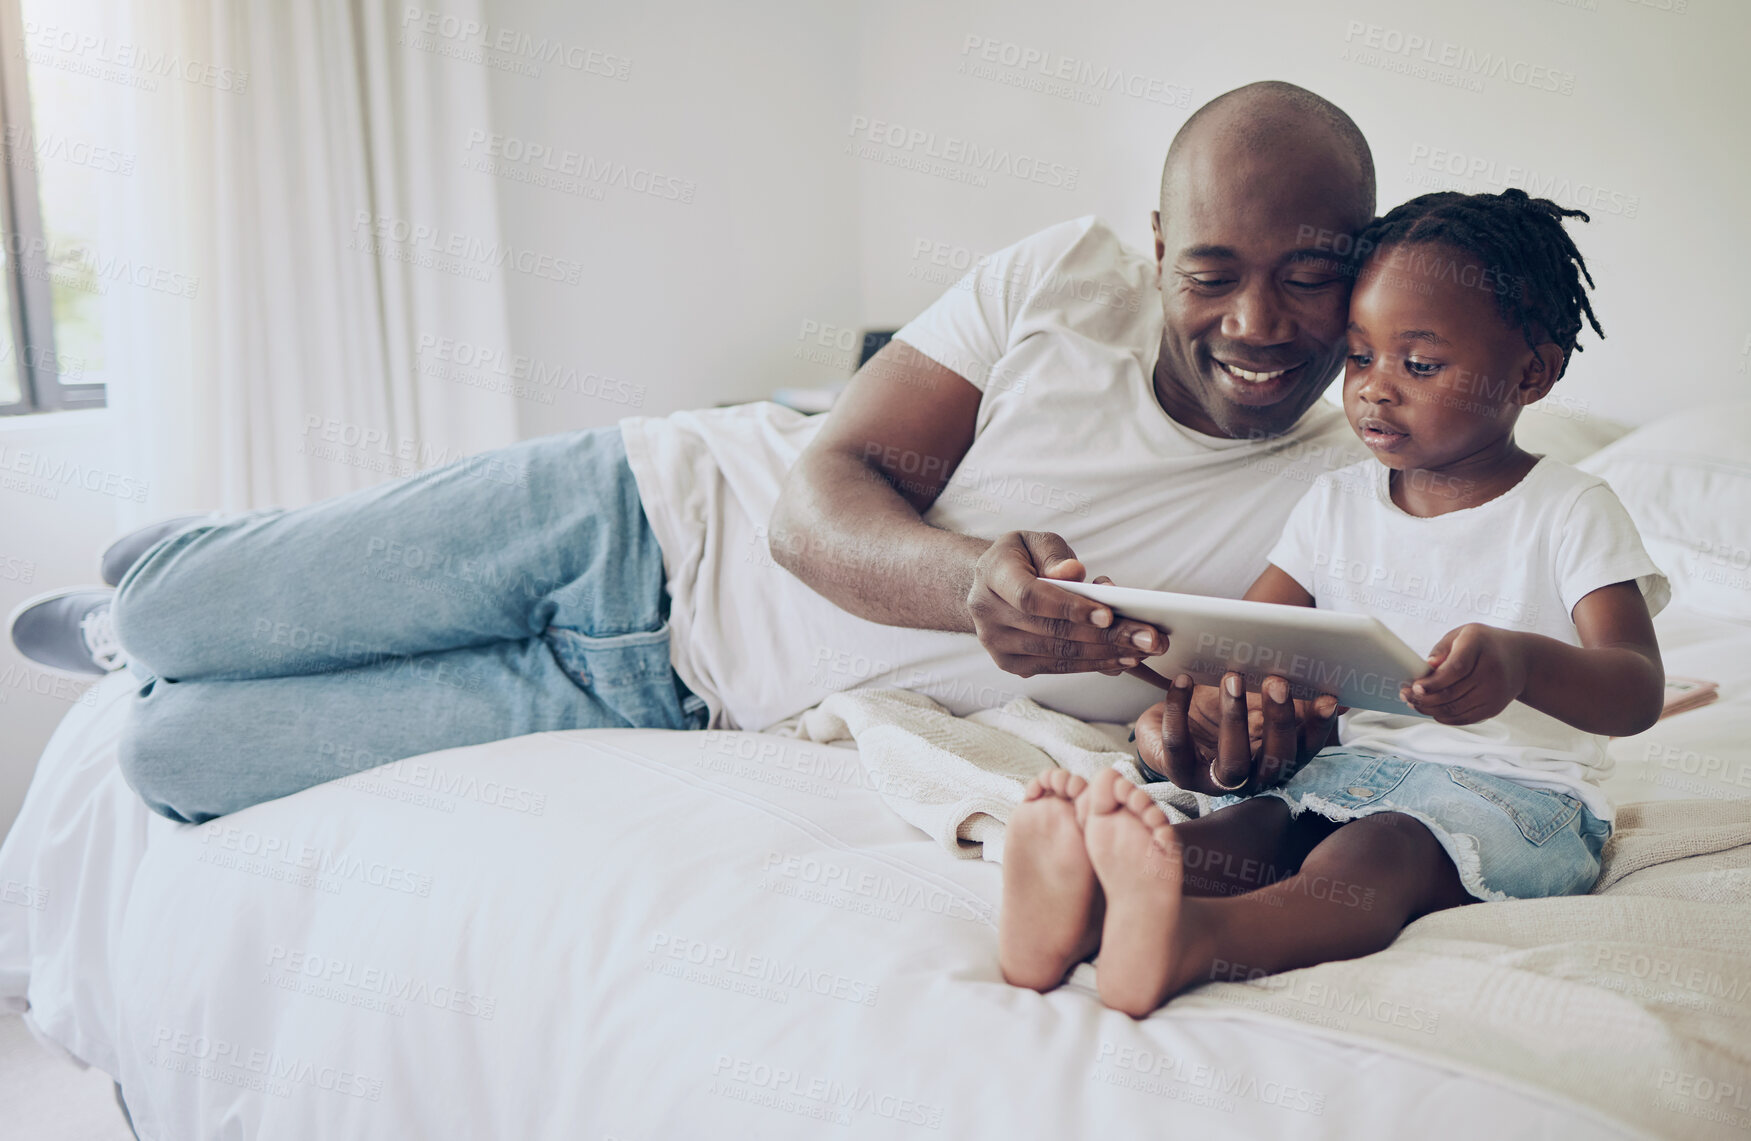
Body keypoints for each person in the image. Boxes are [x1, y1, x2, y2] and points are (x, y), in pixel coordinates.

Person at [11, 81, 1372, 823]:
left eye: (1307, 278)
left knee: (171, 759)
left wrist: (1209, 746)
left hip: (672, 696)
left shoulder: (1340, 501)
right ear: (1153, 249)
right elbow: (815, 499)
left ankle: (174, 625)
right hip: (639, 516)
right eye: (1210, 272)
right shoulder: (1062, 279)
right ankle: (177, 583)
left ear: (1358, 272)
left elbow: (1201, 719)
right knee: (174, 605)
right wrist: (971, 588)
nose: (1253, 323)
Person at [997, 188, 1669, 1017]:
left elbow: (1636, 687)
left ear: (1532, 372)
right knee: (1249, 829)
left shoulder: (1569, 509)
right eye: (1358, 358)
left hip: (1508, 796)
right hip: (1343, 769)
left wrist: (1522, 662)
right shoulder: (1334, 503)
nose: (1374, 391)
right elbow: (1245, 644)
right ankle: (1089, 897)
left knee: (1370, 857)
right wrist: (1165, 658)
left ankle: (1193, 940)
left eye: (1418, 365)